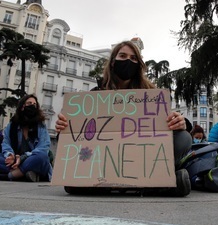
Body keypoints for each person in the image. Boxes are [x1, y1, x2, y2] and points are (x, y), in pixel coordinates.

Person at [55, 40, 192, 196]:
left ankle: (119, 184)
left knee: (184, 138)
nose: (128, 61)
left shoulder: (151, 94)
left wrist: (181, 122)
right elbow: (74, 135)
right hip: (103, 164)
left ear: (139, 65)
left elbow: (166, 122)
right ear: (113, 62)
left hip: (142, 160)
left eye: (134, 58)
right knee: (63, 139)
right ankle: (153, 185)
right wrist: (63, 128)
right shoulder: (95, 95)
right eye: (123, 56)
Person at [0, 94, 52, 182]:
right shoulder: (12, 125)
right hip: (15, 162)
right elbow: (6, 143)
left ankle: (9, 175)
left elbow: (43, 148)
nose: (32, 106)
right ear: (22, 107)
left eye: (34, 104)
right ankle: (25, 174)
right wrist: (10, 156)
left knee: (42, 157)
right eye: (29, 103)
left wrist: (22, 158)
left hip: (31, 160)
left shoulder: (40, 126)